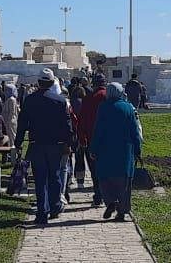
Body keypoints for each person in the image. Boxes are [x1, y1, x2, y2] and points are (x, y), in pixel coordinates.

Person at [15, 69, 74, 225]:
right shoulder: (60, 101)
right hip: (56, 144)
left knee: (40, 178)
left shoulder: (30, 100)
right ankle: (54, 207)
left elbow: (22, 123)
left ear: (39, 82)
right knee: (54, 175)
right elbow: (66, 125)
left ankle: (42, 212)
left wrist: (18, 142)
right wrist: (68, 143)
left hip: (37, 143)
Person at [90, 82, 142, 222]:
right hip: (125, 150)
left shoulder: (103, 107)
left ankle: (111, 201)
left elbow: (98, 129)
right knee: (124, 182)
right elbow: (135, 131)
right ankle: (122, 210)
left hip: (105, 150)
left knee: (105, 179)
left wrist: (93, 148)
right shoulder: (128, 108)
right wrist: (138, 149)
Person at [77, 73, 109, 207]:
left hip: (92, 138)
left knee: (95, 169)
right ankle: (109, 195)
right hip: (109, 139)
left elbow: (82, 120)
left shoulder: (88, 98)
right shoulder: (110, 97)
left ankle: (98, 194)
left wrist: (81, 137)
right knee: (108, 168)